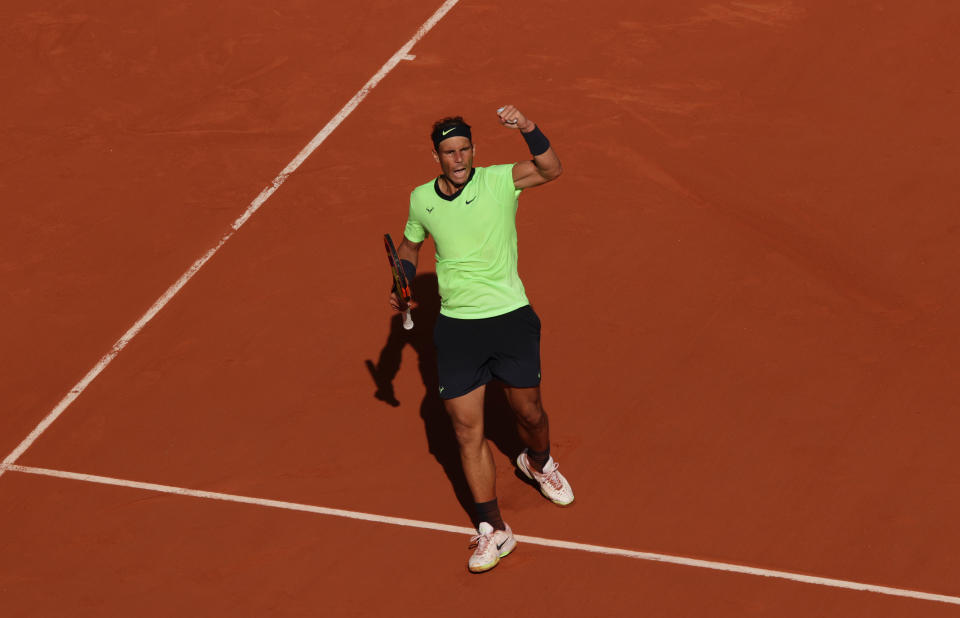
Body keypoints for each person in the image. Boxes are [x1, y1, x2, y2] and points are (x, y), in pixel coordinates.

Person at [389, 105, 574, 573]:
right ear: (436, 156)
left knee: (527, 412)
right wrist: (405, 281)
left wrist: (528, 128)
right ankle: (493, 529)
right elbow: (411, 244)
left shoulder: (498, 181)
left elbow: (552, 169)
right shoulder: (421, 200)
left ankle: (538, 461)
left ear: (474, 150)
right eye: (450, 152)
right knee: (466, 430)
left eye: (465, 149)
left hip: (510, 317)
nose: (459, 159)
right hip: (457, 328)